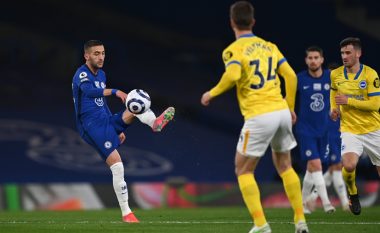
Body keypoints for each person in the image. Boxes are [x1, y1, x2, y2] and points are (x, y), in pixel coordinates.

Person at [201, 2, 308, 233]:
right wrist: (290, 107)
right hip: (280, 111)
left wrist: (212, 93)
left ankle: (261, 224)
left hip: (260, 115)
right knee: (285, 166)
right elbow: (290, 75)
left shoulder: (233, 50)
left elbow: (233, 75)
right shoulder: (270, 46)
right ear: (253, 22)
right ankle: (300, 220)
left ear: (232, 23)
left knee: (243, 170)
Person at [71, 40, 175, 222]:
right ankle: (127, 213)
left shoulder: (101, 74)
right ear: (86, 56)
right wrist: (116, 91)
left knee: (134, 106)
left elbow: (101, 104)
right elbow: (89, 93)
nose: (101, 57)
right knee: (117, 165)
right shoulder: (81, 74)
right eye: (96, 53)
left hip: (105, 121)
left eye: (103, 53)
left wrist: (115, 128)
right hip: (90, 126)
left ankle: (154, 123)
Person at [330, 37, 380, 215]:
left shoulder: (370, 74)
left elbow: (375, 105)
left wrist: (348, 101)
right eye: (342, 53)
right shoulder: (335, 74)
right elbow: (334, 91)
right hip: (350, 129)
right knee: (349, 165)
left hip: (373, 130)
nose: (344, 56)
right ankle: (353, 194)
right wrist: (334, 109)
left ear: (358, 53)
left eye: (348, 52)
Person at [295, 46, 335, 214]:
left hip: (324, 130)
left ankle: (303, 204)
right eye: (310, 58)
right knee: (316, 164)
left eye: (316, 57)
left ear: (321, 59)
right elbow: (287, 97)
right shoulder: (299, 79)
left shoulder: (330, 78)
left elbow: (339, 95)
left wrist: (336, 108)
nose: (313, 60)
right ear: (306, 60)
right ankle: (326, 203)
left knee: (312, 169)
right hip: (305, 130)